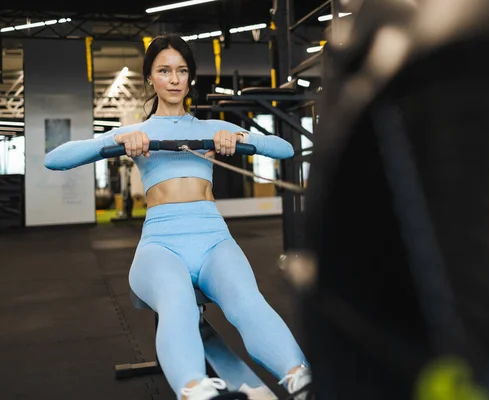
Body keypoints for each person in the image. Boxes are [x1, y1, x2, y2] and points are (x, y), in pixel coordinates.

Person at [44, 33, 311, 400]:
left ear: (190, 79)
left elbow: (282, 149)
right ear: (150, 78)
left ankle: (299, 377)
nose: (174, 79)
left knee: (246, 300)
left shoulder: (211, 130)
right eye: (164, 71)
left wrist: (240, 138)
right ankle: (195, 389)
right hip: (162, 244)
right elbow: (54, 158)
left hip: (214, 238)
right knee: (177, 301)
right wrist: (121, 141)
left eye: (182, 71)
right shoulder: (136, 132)